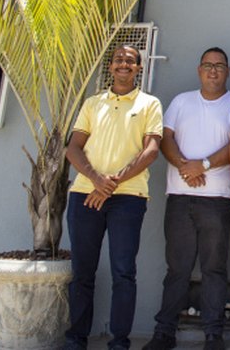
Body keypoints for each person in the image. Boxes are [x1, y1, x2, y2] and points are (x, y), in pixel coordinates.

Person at [64, 46, 163, 350]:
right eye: (119, 59)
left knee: (123, 272)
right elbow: (73, 148)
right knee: (82, 272)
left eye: (130, 61)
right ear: (111, 66)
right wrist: (96, 180)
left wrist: (112, 183)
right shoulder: (93, 104)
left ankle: (119, 342)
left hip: (128, 199)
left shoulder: (149, 104)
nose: (124, 64)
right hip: (84, 196)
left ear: (138, 69)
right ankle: (75, 340)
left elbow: (151, 150)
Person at [143, 48, 230, 350]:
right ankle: (164, 333)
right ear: (199, 70)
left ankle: (213, 335)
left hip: (218, 199)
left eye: (219, 66)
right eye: (208, 65)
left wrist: (204, 165)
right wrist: (186, 167)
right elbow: (165, 138)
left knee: (214, 268)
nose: (213, 71)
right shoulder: (182, 101)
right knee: (177, 269)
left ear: (227, 72)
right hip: (180, 197)